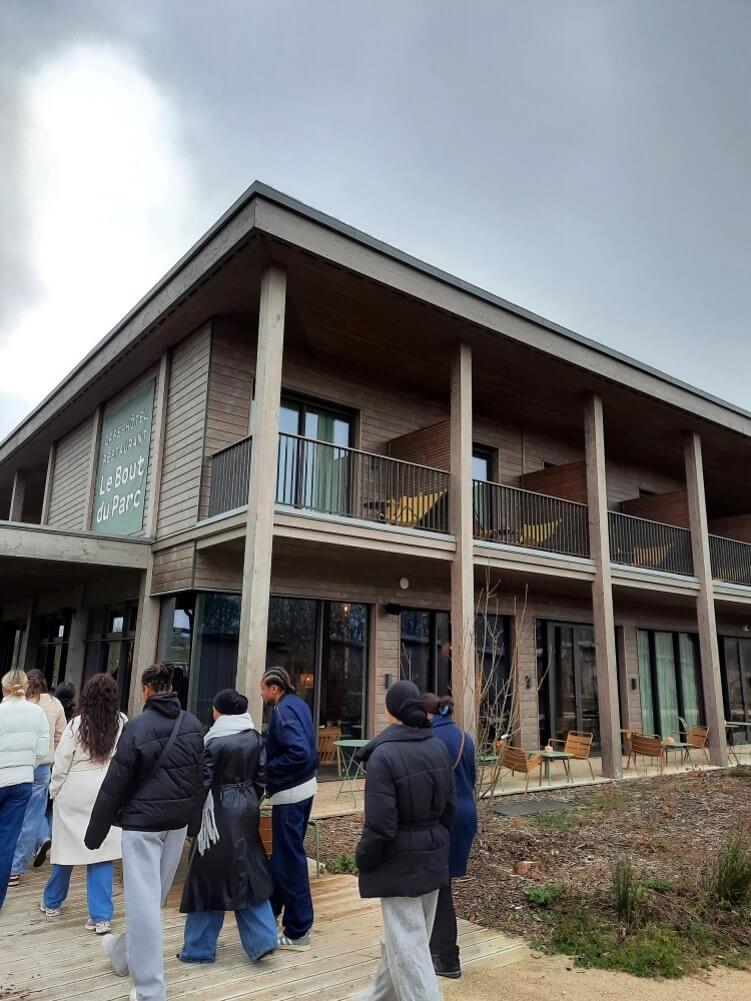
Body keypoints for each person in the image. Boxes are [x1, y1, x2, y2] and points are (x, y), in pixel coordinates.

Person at [85, 663, 203, 1001]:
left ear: (147, 690)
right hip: (177, 824)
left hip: (141, 827)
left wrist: (94, 833)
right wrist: (193, 823)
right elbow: (199, 779)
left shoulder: (137, 727)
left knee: (144, 904)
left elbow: (114, 785)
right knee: (151, 901)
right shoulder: (194, 725)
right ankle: (122, 955)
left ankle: (151, 990)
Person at [355, 680, 455, 1001]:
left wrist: (364, 857)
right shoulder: (438, 746)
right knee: (408, 940)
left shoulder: (383, 756)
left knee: (409, 948)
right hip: (434, 852)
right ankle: (378, 996)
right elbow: (450, 809)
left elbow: (381, 824)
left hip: (399, 860)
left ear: (389, 711)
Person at [178, 688, 277, 964]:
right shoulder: (255, 737)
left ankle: (198, 948)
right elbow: (262, 778)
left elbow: (202, 783)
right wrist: (249, 801)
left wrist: (192, 822)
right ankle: (263, 939)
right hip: (246, 808)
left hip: (217, 812)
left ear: (218, 711)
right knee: (247, 871)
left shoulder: (212, 741)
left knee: (206, 878)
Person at [40, 673, 127, 932]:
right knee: (102, 855)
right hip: (108, 789)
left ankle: (52, 903)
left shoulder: (77, 724)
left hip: (75, 790)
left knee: (65, 852)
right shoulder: (122, 722)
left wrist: (54, 790)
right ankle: (101, 917)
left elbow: (62, 760)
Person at [260, 666, 319, 951]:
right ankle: (271, 912)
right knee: (283, 858)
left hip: (291, 793)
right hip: (305, 787)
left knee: (290, 860)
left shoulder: (283, 712)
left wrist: (268, 769)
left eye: (263, 688)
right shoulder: (299, 705)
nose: (261, 694)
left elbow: (300, 751)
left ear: (274, 688)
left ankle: (298, 930)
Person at [423, 693, 478, 979]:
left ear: (426, 714)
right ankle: (439, 952)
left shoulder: (429, 739)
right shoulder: (465, 738)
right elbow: (473, 777)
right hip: (466, 814)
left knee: (438, 886)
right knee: (441, 885)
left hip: (443, 818)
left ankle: (446, 957)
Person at [9, 669, 67, 884]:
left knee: (10, 814)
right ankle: (15, 869)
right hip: (43, 767)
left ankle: (11, 861)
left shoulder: (14, 703)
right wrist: (51, 753)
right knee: (31, 818)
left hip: (14, 765)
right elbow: (63, 735)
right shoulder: (54, 703)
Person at [0, 670, 49, 910]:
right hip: (23, 780)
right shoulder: (37, 712)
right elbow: (42, 751)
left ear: (4, 688)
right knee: (8, 842)